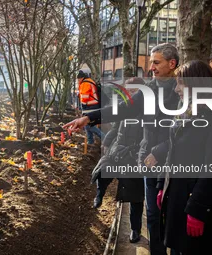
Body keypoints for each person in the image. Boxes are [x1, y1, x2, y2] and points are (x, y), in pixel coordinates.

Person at [64, 43, 180, 255]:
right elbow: (123, 108)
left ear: (172, 64)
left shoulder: (183, 90)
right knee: (153, 216)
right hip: (149, 163)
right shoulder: (149, 89)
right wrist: (89, 117)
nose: (151, 67)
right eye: (151, 62)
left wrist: (160, 151)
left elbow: (184, 131)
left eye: (156, 62)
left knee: (172, 217)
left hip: (173, 163)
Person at [151, 60, 212, 255]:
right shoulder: (187, 111)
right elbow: (174, 150)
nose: (176, 90)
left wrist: (198, 209)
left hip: (195, 205)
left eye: (181, 83)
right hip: (179, 198)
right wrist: (162, 186)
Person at [91, 77, 145, 242]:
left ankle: (135, 229)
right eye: (128, 90)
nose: (130, 93)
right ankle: (100, 194)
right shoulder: (125, 108)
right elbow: (115, 127)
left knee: (135, 196)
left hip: (135, 155)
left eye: (134, 90)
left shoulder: (149, 110)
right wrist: (107, 142)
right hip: (118, 148)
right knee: (102, 170)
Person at [77, 70, 104, 144]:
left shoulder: (85, 83)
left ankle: (104, 138)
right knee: (87, 124)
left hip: (90, 106)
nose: (77, 81)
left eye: (78, 79)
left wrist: (81, 106)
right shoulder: (89, 81)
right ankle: (90, 141)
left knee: (88, 125)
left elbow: (85, 97)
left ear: (81, 78)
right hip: (93, 105)